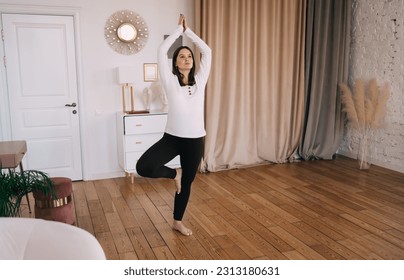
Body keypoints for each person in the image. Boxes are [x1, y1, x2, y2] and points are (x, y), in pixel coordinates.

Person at [136, 14, 212, 236]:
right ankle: (173, 174)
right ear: (176, 63)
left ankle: (177, 221)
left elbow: (207, 51)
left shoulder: (200, 81)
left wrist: (189, 33)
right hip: (172, 138)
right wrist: (179, 30)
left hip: (195, 139)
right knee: (144, 166)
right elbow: (161, 51)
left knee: (187, 184)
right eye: (182, 56)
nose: (187, 58)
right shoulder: (170, 81)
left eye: (189, 55)